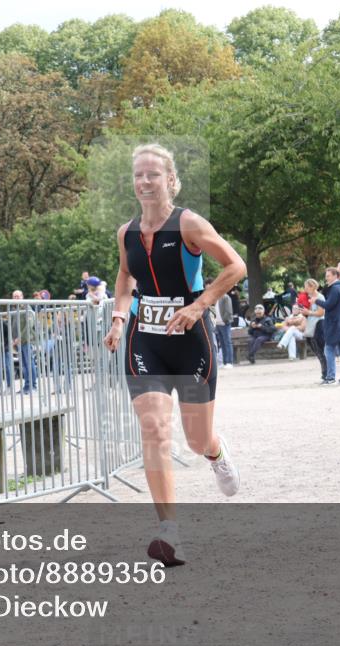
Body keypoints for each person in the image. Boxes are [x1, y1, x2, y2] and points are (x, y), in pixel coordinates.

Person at [102, 143, 245, 566]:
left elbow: (235, 266)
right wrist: (117, 318)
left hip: (190, 339)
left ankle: (217, 454)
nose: (144, 182)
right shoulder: (126, 232)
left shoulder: (189, 224)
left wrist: (198, 306)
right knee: (154, 431)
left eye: (153, 175)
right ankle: (169, 532)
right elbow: (126, 273)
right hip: (144, 339)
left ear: (169, 180)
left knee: (196, 438)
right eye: (138, 176)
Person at [296, 279, 327, 381]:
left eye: (306, 286)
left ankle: (326, 373)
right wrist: (303, 310)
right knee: (316, 350)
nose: (305, 289)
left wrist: (308, 312)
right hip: (311, 325)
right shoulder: (308, 298)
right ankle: (324, 373)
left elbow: (321, 313)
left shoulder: (319, 297)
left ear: (312, 286)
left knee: (321, 350)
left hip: (319, 324)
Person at [10, 290, 38, 393]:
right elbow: (12, 326)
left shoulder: (27, 307)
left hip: (27, 340)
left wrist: (20, 337)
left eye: (18, 296)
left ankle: (33, 386)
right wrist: (13, 339)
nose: (16, 298)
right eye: (14, 296)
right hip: (18, 342)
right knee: (24, 365)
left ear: (22, 296)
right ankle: (27, 386)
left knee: (29, 363)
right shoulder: (13, 309)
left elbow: (29, 325)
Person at [212, 285, 234, 368]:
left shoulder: (225, 297)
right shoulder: (214, 299)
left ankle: (230, 362)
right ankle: (225, 362)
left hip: (225, 323)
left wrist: (224, 321)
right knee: (222, 343)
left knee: (227, 342)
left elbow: (228, 311)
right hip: (217, 324)